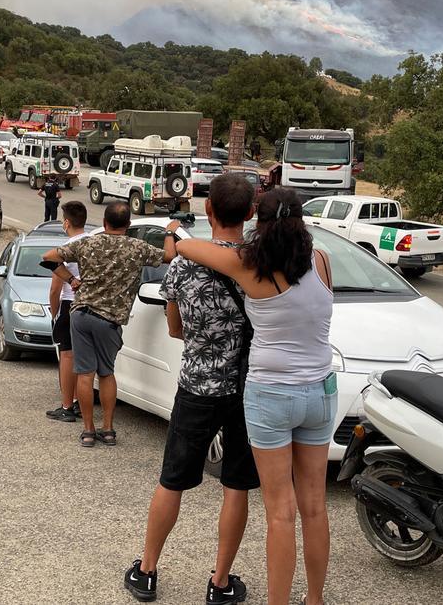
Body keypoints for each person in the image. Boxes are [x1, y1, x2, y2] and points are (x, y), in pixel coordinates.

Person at [175, 187, 335, 605]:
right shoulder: (320, 261)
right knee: (314, 507)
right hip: (320, 390)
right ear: (302, 221)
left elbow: (188, 247)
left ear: (255, 221)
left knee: (280, 511)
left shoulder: (248, 266)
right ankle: (314, 599)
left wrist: (176, 228)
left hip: (270, 394)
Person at [124, 174, 259, 605]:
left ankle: (147, 570)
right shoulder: (258, 262)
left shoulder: (183, 264)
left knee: (172, 480)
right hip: (245, 389)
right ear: (250, 213)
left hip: (198, 384)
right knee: (236, 485)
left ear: (208, 211)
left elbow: (175, 325)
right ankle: (220, 583)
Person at [42, 201, 180, 447]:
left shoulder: (86, 243)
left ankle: (87, 430)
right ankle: (107, 429)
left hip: (81, 314)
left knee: (85, 374)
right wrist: (169, 232)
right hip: (110, 320)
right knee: (106, 373)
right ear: (127, 225)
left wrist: (72, 280)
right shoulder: (137, 248)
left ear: (104, 222)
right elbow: (169, 256)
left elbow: (48, 257)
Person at [46, 201, 88, 422]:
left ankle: (67, 405)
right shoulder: (93, 244)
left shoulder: (65, 249)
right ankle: (83, 403)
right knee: (87, 358)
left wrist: (54, 314)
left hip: (70, 304)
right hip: (92, 306)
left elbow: (55, 288)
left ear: (67, 222)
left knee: (68, 356)